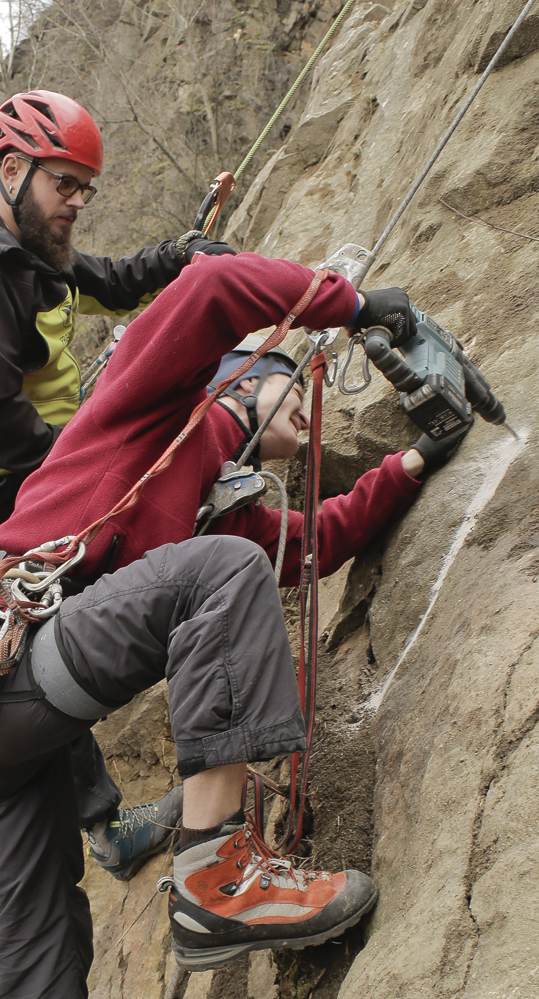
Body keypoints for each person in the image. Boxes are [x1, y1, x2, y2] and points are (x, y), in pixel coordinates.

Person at [0, 252, 468, 996]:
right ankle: (218, 880)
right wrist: (353, 307)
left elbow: (313, 543)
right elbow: (210, 287)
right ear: (239, 379)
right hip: (18, 647)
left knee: (42, 963)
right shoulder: (158, 407)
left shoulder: (221, 511)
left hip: (23, 737)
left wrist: (411, 461)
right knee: (219, 570)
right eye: (288, 375)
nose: (306, 400)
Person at [0, 88, 238, 877]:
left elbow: (111, 279)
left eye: (85, 189)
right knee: (39, 643)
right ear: (10, 170)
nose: (77, 202)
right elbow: (9, 428)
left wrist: (181, 256)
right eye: (63, 183)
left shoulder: (40, 259)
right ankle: (105, 827)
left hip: (53, 467)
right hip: (24, 489)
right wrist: (110, 460)